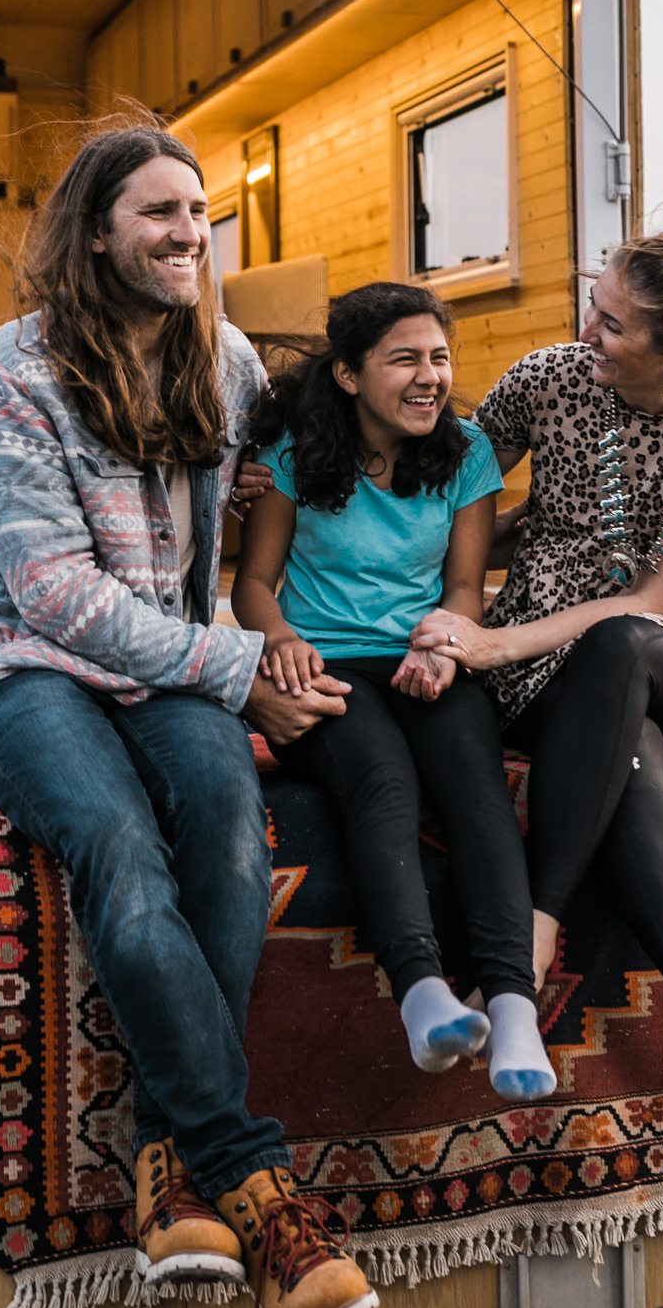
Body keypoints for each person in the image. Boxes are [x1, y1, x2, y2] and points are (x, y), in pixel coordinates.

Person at [0, 122, 378, 1308]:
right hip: (18, 666)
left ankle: (163, 1159)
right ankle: (249, 1173)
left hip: (167, 668)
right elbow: (59, 599)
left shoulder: (221, 359)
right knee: (118, 846)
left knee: (232, 832)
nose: (189, 233)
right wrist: (242, 669)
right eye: (158, 212)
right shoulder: (12, 373)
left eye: (199, 212)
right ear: (94, 231)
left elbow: (308, 476)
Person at [408, 200, 663, 1116]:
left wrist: (494, 640)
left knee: (621, 646)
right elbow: (449, 497)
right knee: (627, 763)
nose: (587, 331)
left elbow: (653, 599)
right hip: (548, 667)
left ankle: (534, 935)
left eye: (613, 324)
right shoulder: (545, 380)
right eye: (593, 306)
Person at [232, 285, 556, 1100]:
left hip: (425, 657)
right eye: (404, 359)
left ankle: (513, 1007)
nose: (428, 377)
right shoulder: (294, 453)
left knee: (475, 787)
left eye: (439, 358)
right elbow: (255, 584)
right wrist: (279, 641)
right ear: (347, 375)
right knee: (381, 780)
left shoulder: (467, 451)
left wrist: (446, 646)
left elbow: (462, 586)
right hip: (323, 662)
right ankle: (422, 995)